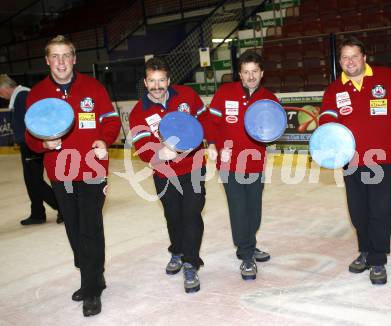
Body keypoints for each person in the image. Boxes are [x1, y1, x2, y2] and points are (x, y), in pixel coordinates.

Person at [25, 35, 121, 316]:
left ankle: (91, 288)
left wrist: (104, 140)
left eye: (66, 55)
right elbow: (30, 137)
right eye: (55, 56)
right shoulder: (38, 94)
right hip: (60, 172)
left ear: (75, 58)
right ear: (47, 60)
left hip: (92, 170)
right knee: (74, 228)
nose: (61, 61)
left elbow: (111, 121)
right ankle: (93, 275)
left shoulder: (93, 87)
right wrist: (42, 144)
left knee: (90, 227)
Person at [320, 36, 391, 285]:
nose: (350, 61)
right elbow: (327, 124)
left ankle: (377, 260)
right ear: (340, 61)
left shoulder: (386, 78)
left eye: (354, 56)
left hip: (381, 159)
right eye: (344, 57)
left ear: (364, 58)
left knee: (381, 210)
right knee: (358, 212)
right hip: (351, 161)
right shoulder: (335, 90)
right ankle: (365, 251)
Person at [129, 57, 209, 293]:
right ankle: (177, 250)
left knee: (191, 214)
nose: (157, 86)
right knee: (173, 216)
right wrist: (158, 152)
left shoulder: (186, 96)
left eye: (161, 80)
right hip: (164, 173)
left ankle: (190, 263)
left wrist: (210, 140)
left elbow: (205, 119)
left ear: (169, 80)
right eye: (152, 81)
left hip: (193, 167)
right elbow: (142, 147)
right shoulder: (138, 112)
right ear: (145, 82)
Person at [205, 50, 279, 280]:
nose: (250, 76)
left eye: (254, 72)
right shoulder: (225, 92)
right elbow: (210, 122)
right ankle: (247, 256)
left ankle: (249, 244)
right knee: (239, 210)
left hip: (255, 165)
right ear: (239, 74)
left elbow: (273, 131)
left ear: (262, 73)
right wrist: (216, 145)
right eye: (246, 72)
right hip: (229, 165)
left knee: (253, 212)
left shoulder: (269, 99)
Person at [0, 74, 62, 225]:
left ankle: (62, 207)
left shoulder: (22, 96)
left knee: (34, 181)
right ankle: (37, 213)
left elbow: (34, 120)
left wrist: (31, 141)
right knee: (31, 181)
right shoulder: (19, 96)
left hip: (31, 144)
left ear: (6, 88)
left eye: (0, 91)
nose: (0, 95)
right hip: (27, 144)